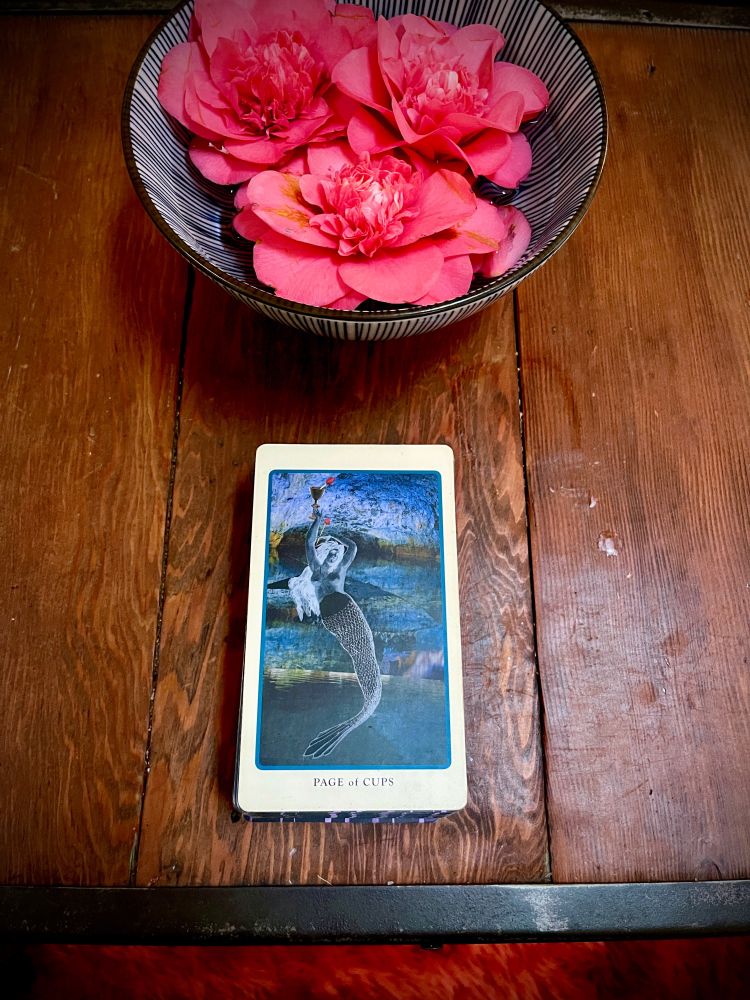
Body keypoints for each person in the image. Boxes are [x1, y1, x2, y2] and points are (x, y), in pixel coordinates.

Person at [289, 511, 382, 759]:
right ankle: (368, 703)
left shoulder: (340, 570)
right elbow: (309, 543)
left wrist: (337, 534)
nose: (333, 555)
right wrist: (318, 523)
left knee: (365, 651)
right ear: (323, 555)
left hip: (349, 610)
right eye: (329, 552)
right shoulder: (316, 571)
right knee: (361, 651)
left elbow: (352, 547)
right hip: (334, 617)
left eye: (335, 552)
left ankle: (370, 701)